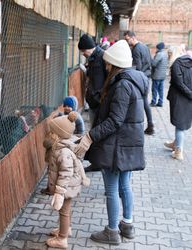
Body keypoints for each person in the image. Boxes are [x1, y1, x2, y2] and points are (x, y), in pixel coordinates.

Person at [74, 40, 147, 245]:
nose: (106, 66)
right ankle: (127, 224)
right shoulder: (135, 80)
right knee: (125, 186)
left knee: (113, 189)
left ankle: (112, 231)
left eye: (108, 63)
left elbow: (115, 120)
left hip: (117, 146)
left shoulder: (122, 85)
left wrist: (90, 136)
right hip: (128, 143)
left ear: (114, 64)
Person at [43, 112, 90, 249]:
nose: (49, 133)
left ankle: (62, 239)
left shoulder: (63, 152)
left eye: (51, 131)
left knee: (64, 210)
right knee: (65, 210)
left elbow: (65, 173)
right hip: (66, 186)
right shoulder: (59, 146)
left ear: (58, 133)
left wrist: (59, 192)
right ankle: (65, 229)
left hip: (66, 187)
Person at [78, 34, 107, 172]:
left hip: (98, 102)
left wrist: (97, 97)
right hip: (94, 101)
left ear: (89, 48)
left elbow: (104, 80)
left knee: (96, 132)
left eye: (83, 50)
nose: (83, 53)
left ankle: (98, 162)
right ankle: (96, 161)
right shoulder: (94, 57)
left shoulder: (101, 57)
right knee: (94, 130)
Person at [124, 30, 154, 135]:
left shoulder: (136, 49)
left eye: (127, 39)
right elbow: (151, 61)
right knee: (145, 102)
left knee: (140, 102)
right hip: (147, 77)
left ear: (133, 37)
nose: (127, 42)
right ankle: (150, 125)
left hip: (140, 78)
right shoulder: (145, 47)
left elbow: (138, 67)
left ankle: (139, 127)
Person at [164, 48, 192, 160]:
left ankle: (178, 151)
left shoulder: (176, 64)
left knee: (180, 125)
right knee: (181, 123)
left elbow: (179, 83)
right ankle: (176, 144)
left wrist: (190, 94)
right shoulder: (189, 62)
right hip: (187, 99)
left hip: (180, 98)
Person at [150, 42, 169, 107]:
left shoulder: (159, 54)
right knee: (161, 90)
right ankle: (160, 102)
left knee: (154, 89)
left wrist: (152, 59)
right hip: (163, 75)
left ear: (158, 48)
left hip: (157, 75)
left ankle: (153, 102)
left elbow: (153, 64)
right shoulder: (165, 54)